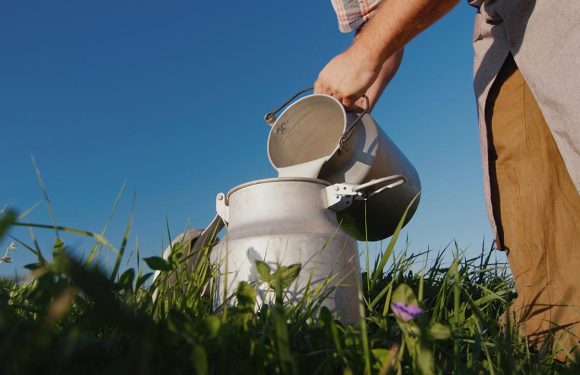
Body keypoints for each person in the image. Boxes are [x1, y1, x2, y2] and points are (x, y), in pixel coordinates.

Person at [314, 0, 580, 360]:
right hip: (499, 18)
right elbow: (377, 21)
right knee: (521, 161)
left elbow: (372, 42)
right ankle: (557, 330)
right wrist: (362, 82)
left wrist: (364, 55)